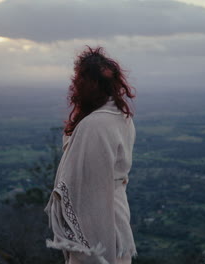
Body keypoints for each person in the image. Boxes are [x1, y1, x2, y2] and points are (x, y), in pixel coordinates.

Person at [44, 46, 137, 264]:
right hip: (117, 210)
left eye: (78, 81)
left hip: (96, 212)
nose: (74, 86)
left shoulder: (95, 124)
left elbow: (79, 182)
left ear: (88, 84)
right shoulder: (121, 116)